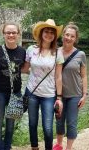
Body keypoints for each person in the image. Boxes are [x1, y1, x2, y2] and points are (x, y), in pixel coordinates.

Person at [22, 19, 64, 150]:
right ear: (41, 33)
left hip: (49, 94)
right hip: (32, 92)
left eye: (52, 32)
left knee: (47, 127)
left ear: (55, 36)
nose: (49, 34)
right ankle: (34, 147)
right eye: (46, 31)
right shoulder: (31, 49)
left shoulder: (58, 53)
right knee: (32, 123)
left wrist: (59, 98)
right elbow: (25, 69)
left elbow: (58, 76)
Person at [53, 23, 88, 150]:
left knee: (72, 123)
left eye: (72, 36)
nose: (68, 38)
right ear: (63, 35)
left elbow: (84, 76)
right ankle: (59, 145)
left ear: (75, 38)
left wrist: (85, 95)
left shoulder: (81, 54)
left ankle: (69, 148)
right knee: (59, 121)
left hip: (75, 95)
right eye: (67, 34)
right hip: (58, 95)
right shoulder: (56, 52)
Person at [0, 22, 26, 150]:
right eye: (8, 32)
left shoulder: (22, 51)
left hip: (16, 92)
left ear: (18, 35)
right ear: (3, 34)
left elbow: (24, 69)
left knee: (10, 125)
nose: (11, 35)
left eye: (14, 32)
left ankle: (7, 147)